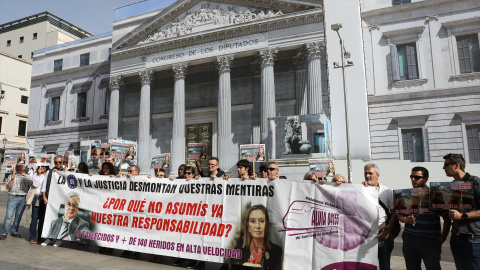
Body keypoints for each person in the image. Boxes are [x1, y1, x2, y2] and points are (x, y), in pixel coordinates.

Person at [397, 166, 451, 270]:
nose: (413, 179)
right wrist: (406, 220)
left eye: (416, 177)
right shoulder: (406, 195)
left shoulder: (435, 196)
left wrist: (442, 238)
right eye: (411, 177)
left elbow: (447, 218)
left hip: (430, 242)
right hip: (409, 240)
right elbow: (400, 216)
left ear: (425, 179)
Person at [443, 153, 480, 270]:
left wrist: (463, 215)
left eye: (446, 164)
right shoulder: (451, 186)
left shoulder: (475, 182)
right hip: (456, 237)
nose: (443, 168)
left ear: (456, 165)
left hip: (472, 238)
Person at [230, 204, 283, 270]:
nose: (257, 226)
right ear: (248, 226)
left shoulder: (276, 251)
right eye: (253, 221)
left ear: (267, 225)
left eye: (261, 221)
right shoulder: (238, 248)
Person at [363, 163, 395, 270]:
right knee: (366, 265)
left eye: (370, 173)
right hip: (365, 233)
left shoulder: (387, 191)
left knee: (384, 265)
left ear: (377, 175)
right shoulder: (360, 190)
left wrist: (387, 231)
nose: (368, 176)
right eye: (366, 173)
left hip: (382, 232)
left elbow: (394, 213)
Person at [1, 164, 40, 240]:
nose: (19, 167)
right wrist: (12, 179)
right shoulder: (11, 176)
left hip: (22, 198)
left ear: (24, 167)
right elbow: (8, 187)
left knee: (18, 216)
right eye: (17, 166)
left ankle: (15, 231)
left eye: (20, 166)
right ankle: (4, 232)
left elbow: (32, 186)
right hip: (12, 197)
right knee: (9, 216)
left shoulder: (28, 177)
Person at [38, 156, 64, 243]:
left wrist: (64, 172)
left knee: (60, 219)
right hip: (50, 199)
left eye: (59, 162)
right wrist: (44, 197)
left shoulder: (66, 171)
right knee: (48, 219)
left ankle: (58, 239)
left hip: (61, 201)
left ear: (62, 162)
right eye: (56, 162)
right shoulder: (49, 172)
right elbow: (44, 186)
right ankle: (48, 237)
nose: (58, 164)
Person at [29, 166, 47, 244]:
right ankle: (32, 237)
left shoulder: (48, 175)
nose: (42, 168)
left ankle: (40, 236)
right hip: (36, 198)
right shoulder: (35, 175)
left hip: (44, 199)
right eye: (40, 166)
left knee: (42, 219)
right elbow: (35, 185)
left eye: (43, 166)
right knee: (34, 218)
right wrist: (39, 175)